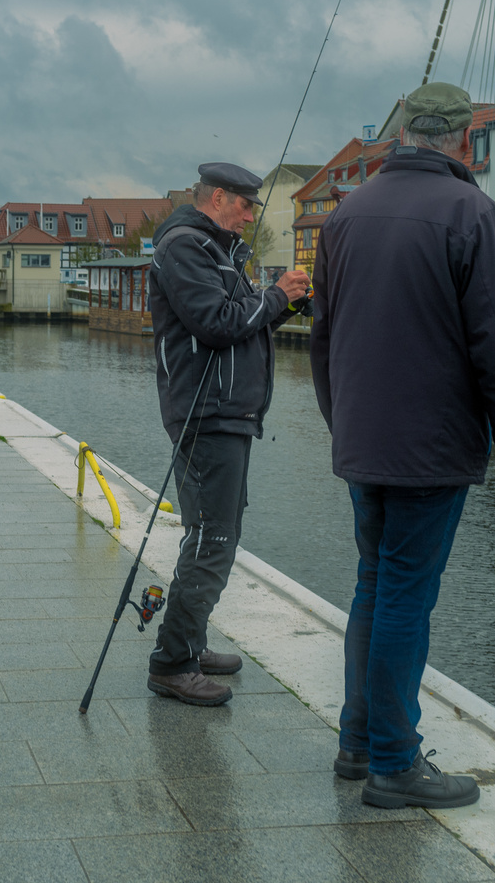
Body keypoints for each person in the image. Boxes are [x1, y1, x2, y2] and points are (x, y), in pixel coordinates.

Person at [311, 81, 495, 809]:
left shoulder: (345, 213)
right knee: (407, 596)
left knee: (373, 586)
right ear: (465, 142)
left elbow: (322, 339)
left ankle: (357, 741)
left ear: (404, 133)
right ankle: (395, 762)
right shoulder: (469, 211)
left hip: (363, 439)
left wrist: (342, 423)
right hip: (429, 445)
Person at [146, 161, 310, 706]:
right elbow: (215, 322)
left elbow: (242, 323)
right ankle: (173, 662)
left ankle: (187, 642)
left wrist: (282, 304)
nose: (251, 217)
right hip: (207, 413)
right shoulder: (185, 247)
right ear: (218, 198)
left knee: (213, 531)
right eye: (246, 206)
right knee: (213, 538)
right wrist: (277, 295)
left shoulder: (218, 249)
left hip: (226, 413)